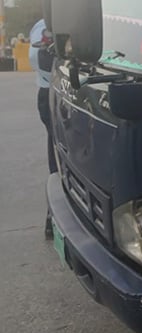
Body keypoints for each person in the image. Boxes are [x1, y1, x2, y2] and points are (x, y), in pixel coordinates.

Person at [28, 19, 57, 239]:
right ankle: (55, 212)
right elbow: (39, 57)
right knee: (58, 155)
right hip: (52, 93)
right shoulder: (45, 24)